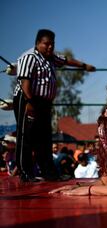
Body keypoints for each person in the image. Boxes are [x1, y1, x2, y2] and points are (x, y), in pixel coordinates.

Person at [13, 29, 96, 182]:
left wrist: (84, 66)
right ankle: (25, 173)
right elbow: (25, 83)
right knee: (26, 136)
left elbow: (67, 61)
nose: (50, 47)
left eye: (52, 44)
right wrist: (30, 103)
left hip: (44, 103)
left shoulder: (50, 57)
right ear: (38, 43)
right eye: (46, 44)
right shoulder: (29, 57)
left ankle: (49, 173)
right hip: (28, 99)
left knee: (44, 138)